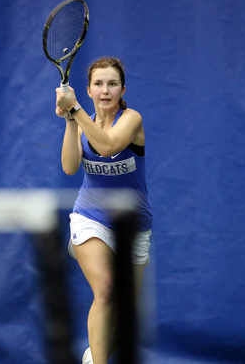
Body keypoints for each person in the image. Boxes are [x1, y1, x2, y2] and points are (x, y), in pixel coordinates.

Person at [55, 57, 153, 364]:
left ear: (123, 89)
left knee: (125, 319)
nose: (105, 90)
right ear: (88, 89)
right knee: (107, 289)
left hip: (133, 224)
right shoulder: (83, 125)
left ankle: (92, 357)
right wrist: (71, 120)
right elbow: (70, 167)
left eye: (112, 84)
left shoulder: (132, 120)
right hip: (90, 217)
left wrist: (75, 111)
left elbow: (108, 146)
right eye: (98, 84)